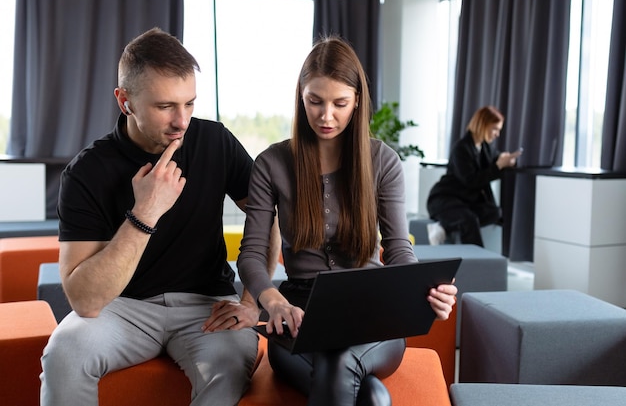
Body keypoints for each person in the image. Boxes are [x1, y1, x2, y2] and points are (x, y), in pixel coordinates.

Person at [40, 27, 280, 406]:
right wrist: (146, 211)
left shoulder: (214, 141)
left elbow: (266, 217)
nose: (181, 121)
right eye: (165, 106)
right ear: (125, 102)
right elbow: (84, 301)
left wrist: (252, 301)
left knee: (229, 367)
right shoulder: (87, 171)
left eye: (189, 103)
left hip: (208, 305)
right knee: (64, 354)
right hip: (122, 309)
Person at [237, 36, 457, 406]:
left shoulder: (383, 161)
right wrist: (273, 302)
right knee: (370, 396)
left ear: (357, 101)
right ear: (300, 98)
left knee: (339, 361)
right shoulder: (272, 163)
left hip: (374, 313)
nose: (326, 116)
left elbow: (399, 247)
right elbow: (251, 254)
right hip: (297, 315)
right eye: (315, 101)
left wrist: (425, 290)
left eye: (340, 103)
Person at [426, 105, 520, 247]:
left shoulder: (485, 148)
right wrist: (498, 166)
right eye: (495, 129)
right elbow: (471, 180)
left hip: (466, 202)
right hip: (446, 199)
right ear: (483, 125)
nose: (497, 134)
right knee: (469, 220)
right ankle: (478, 265)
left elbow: (496, 159)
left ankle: (445, 225)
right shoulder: (461, 148)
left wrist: (507, 160)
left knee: (495, 213)